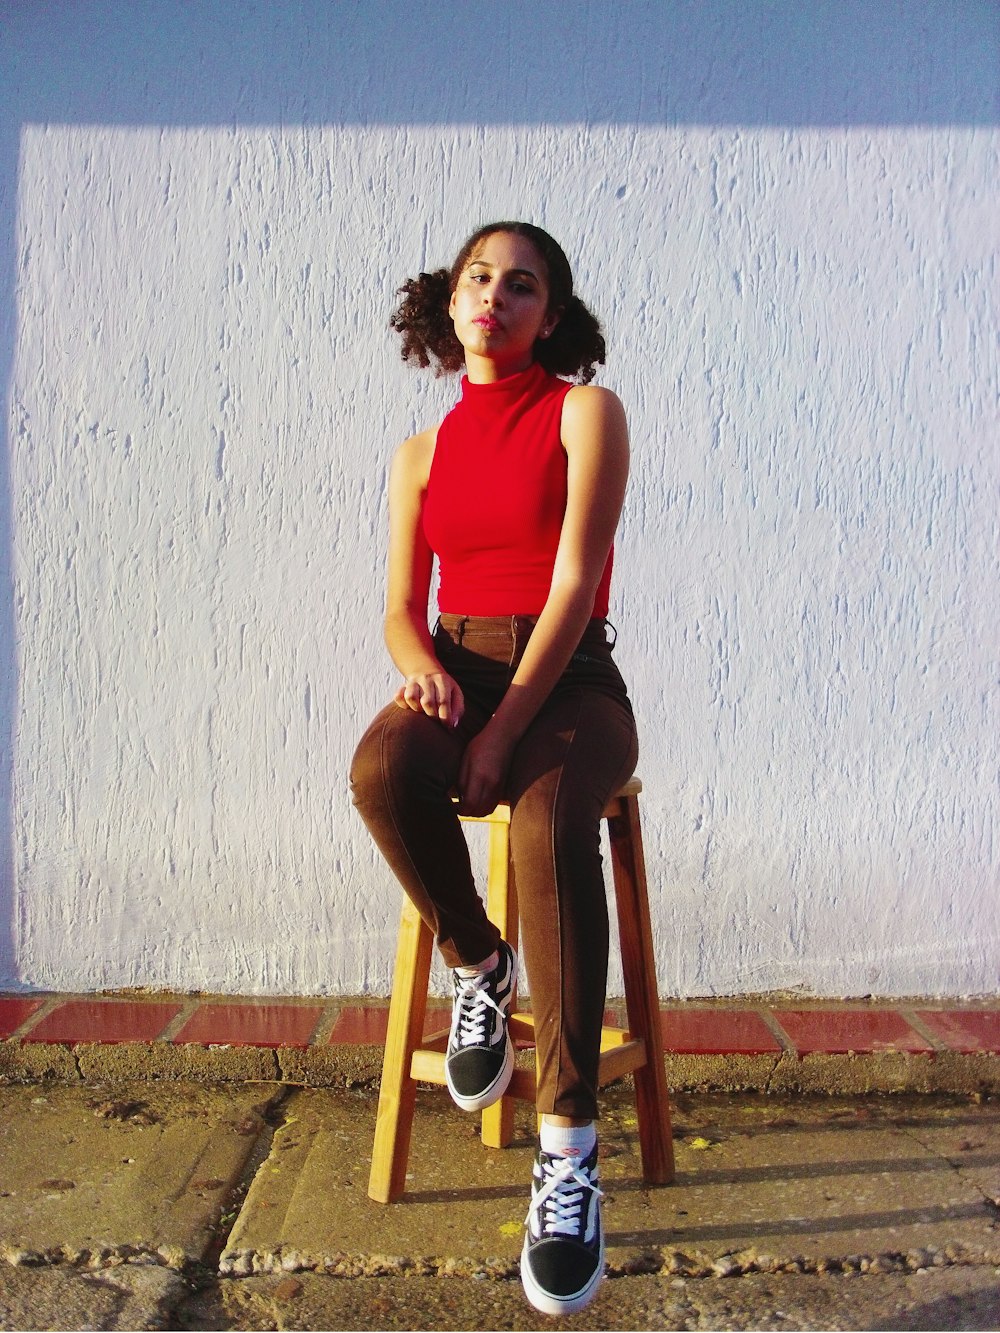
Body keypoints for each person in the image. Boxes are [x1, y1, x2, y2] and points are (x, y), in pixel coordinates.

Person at [350, 221, 638, 1317]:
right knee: (381, 770)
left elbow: (571, 588)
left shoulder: (584, 413)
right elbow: (394, 609)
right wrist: (423, 670)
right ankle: (480, 965)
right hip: (458, 667)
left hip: (568, 684)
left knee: (549, 822)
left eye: (522, 285)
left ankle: (566, 1154)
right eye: (481, 277)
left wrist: (503, 732)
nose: (496, 297)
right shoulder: (418, 452)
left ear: (549, 314)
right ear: (452, 298)